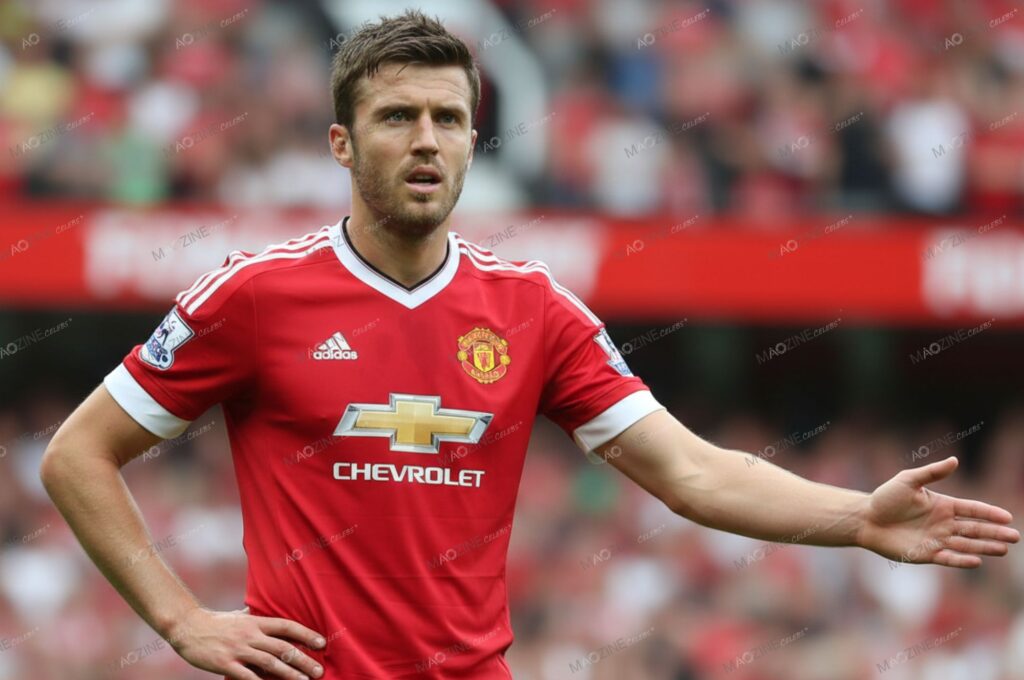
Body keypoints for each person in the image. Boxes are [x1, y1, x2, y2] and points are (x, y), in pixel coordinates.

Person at [39, 10, 1019, 680]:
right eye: (397, 117)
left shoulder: (534, 311)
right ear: (342, 144)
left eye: (450, 119)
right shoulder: (254, 295)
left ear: (473, 142)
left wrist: (856, 517)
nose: (426, 139)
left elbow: (690, 470)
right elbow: (78, 454)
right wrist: (182, 619)